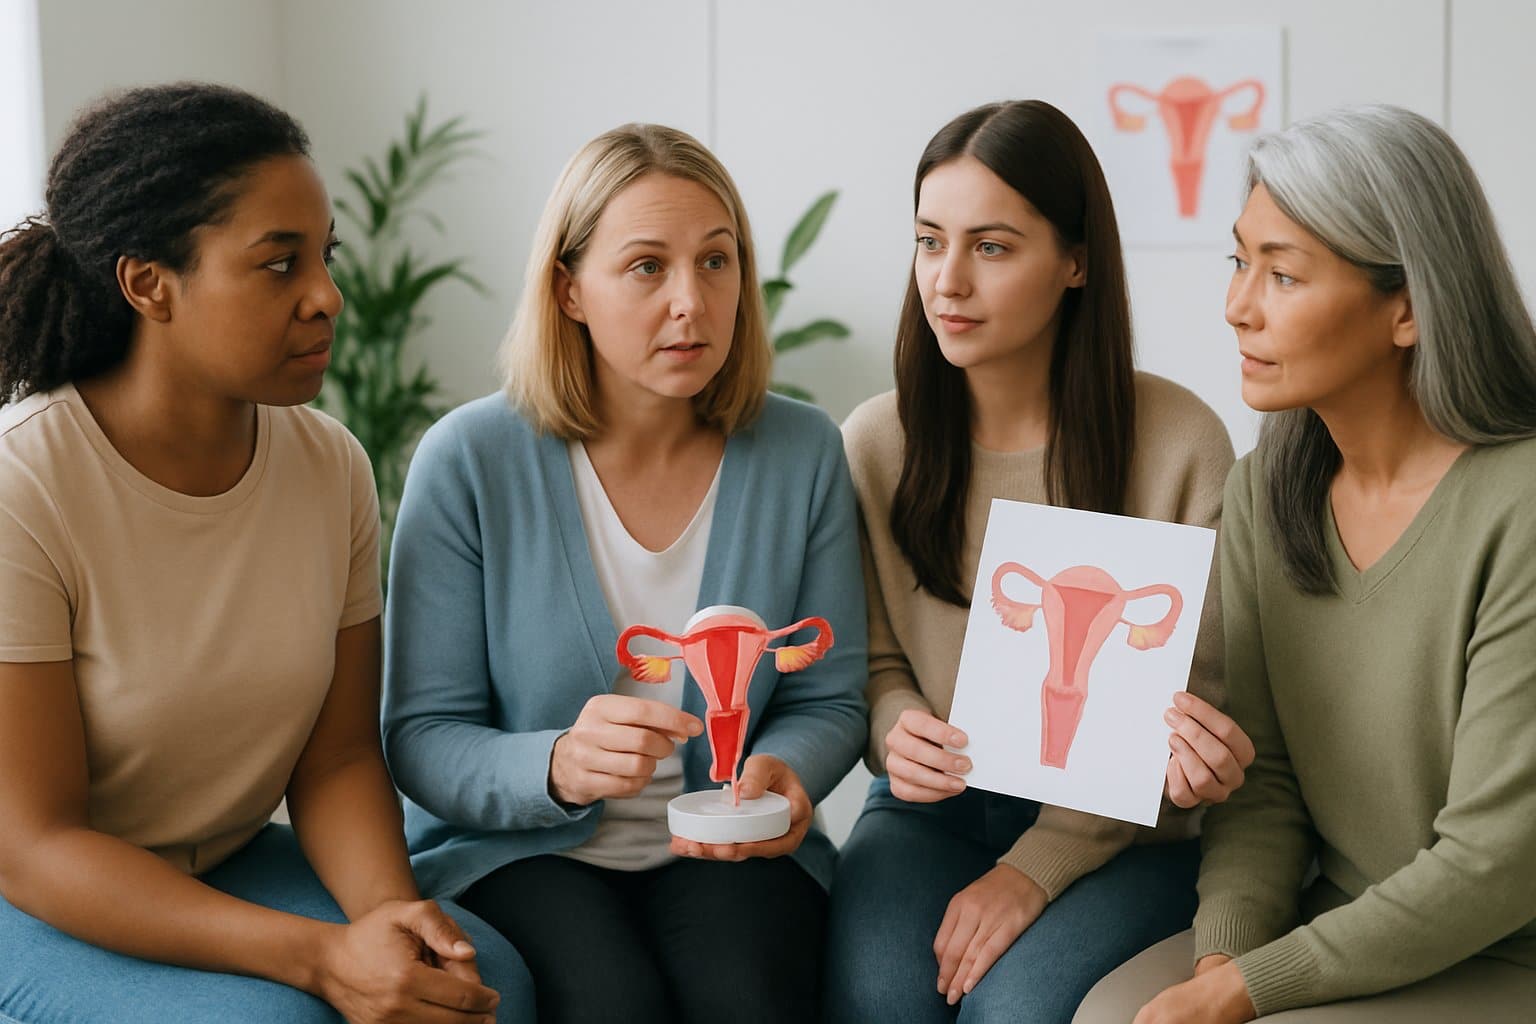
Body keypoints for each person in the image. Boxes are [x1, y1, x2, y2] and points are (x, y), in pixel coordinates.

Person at [0, 83, 530, 1023]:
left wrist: (389, 924)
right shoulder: (23, 487)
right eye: (278, 265)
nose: (327, 297)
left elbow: (334, 763)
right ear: (148, 283)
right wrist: (322, 961)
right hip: (33, 897)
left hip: (232, 858)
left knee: (479, 987)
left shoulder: (331, 469)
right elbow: (36, 843)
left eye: (323, 258)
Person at [381, 122, 867, 1024]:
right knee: (610, 1004)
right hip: (517, 851)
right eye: (647, 267)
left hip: (733, 846)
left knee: (747, 996)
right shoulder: (468, 460)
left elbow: (831, 696)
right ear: (568, 288)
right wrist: (556, 764)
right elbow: (420, 733)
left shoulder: (804, 452)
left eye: (717, 263)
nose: (692, 301)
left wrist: (783, 773)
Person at [1078, 105, 1536, 1024]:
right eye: (1240, 261)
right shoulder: (1264, 491)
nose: (1237, 305)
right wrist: (1225, 956)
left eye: (1283, 273)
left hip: (1499, 945)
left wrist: (1250, 991)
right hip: (1338, 921)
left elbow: (1498, 861)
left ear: (1407, 307)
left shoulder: (1519, 503)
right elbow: (1264, 783)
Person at [824, 99, 1252, 1024]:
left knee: (1009, 1013)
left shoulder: (1181, 444)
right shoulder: (875, 443)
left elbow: (1191, 704)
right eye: (929, 240)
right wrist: (894, 726)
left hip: (1132, 834)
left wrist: (1034, 866)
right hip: (931, 813)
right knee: (877, 999)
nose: (947, 281)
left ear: (1076, 262)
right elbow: (875, 663)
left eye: (992, 247)